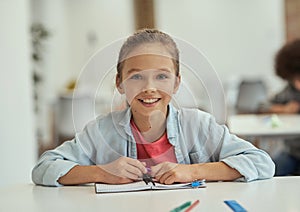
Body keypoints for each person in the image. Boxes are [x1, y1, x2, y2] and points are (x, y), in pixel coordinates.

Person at [32, 29, 275, 186]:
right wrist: (101, 173)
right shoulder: (100, 131)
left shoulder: (199, 125)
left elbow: (262, 162)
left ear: (177, 83)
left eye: (161, 77)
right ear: (119, 83)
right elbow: (44, 167)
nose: (149, 88)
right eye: (136, 77)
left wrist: (191, 172)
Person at [266, 39, 300, 176]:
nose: (298, 85)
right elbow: (264, 105)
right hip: (293, 153)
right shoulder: (289, 91)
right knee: (269, 170)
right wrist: (284, 109)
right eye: (295, 79)